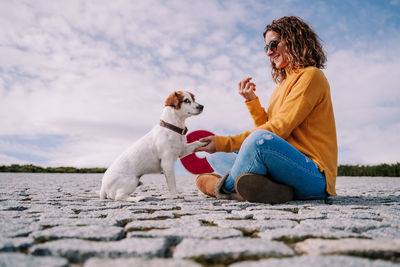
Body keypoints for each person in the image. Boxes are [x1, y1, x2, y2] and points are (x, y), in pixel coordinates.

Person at [195, 16, 337, 204]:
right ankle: (278, 190)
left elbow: (277, 131)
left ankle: (222, 188)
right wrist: (252, 102)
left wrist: (224, 142)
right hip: (284, 169)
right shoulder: (281, 87)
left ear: (293, 39)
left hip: (313, 176)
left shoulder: (311, 76)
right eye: (267, 48)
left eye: (273, 44)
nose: (269, 53)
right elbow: (270, 130)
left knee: (255, 140)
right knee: (217, 156)